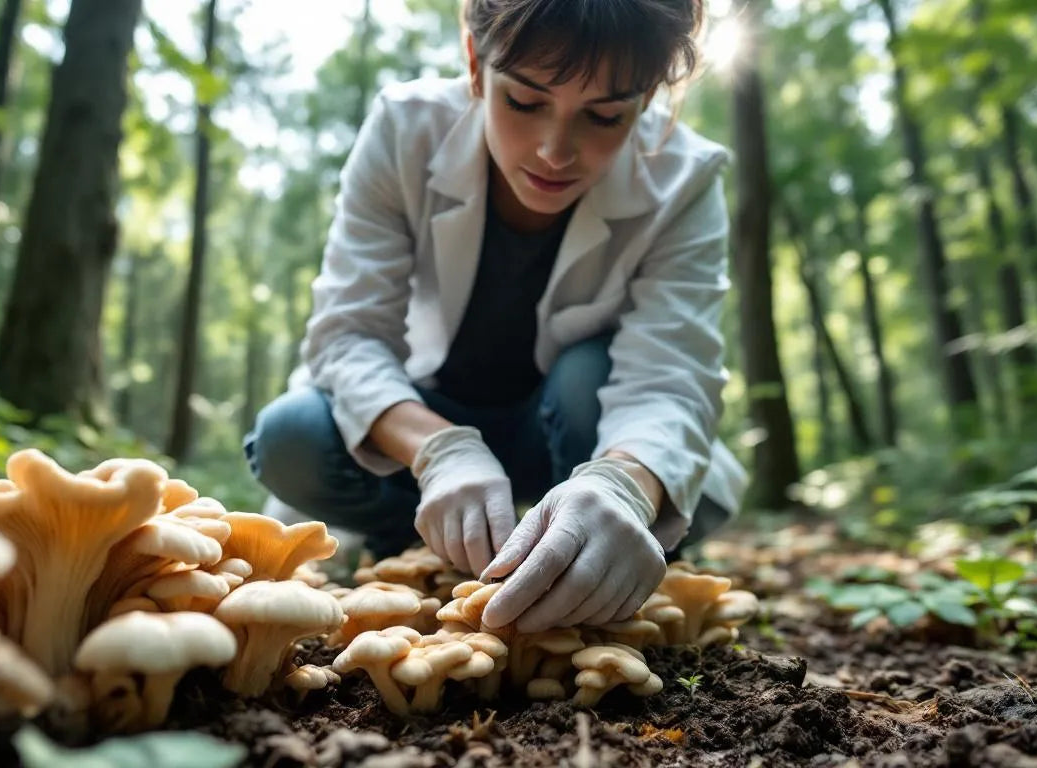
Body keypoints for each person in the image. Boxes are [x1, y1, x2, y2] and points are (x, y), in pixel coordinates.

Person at [244, 0, 746, 635]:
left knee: (590, 378)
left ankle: (590, 537)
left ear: (647, 98)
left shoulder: (686, 181)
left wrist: (625, 484)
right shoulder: (406, 129)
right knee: (293, 440)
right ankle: (445, 548)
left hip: (576, 433)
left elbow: (671, 377)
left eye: (604, 115)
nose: (555, 151)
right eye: (526, 102)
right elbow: (347, 337)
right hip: (423, 427)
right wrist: (438, 450)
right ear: (477, 64)